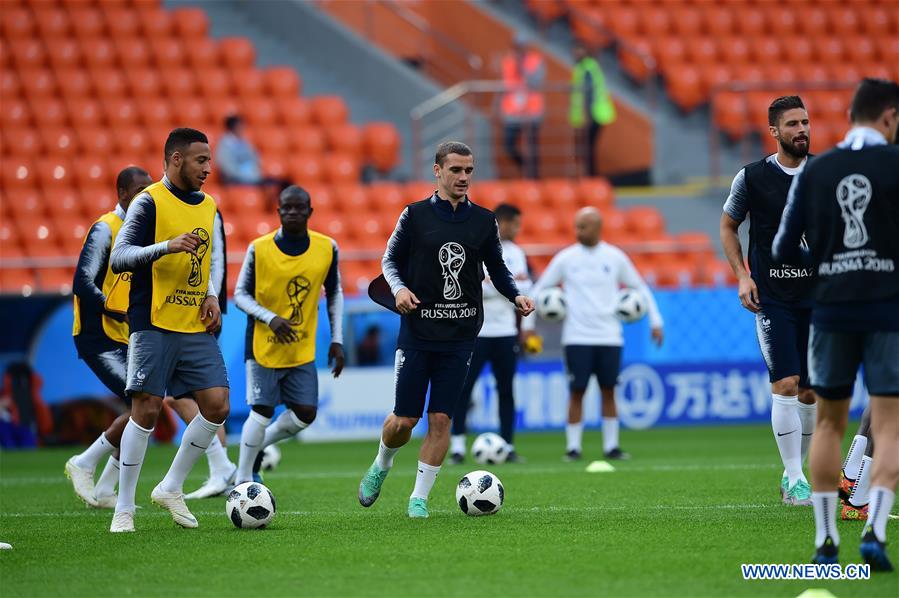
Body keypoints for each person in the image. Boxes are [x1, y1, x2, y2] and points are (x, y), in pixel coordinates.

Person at [356, 141, 534, 518]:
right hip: (418, 334)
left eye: (469, 170)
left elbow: (498, 269)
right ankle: (382, 463)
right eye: (456, 170)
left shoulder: (484, 221)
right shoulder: (415, 215)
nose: (464, 177)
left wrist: (515, 296)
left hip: (462, 335)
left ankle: (418, 498)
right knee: (404, 421)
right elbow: (389, 260)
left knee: (441, 419)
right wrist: (400, 289)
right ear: (437, 171)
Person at [773, 78, 899, 570]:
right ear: (888, 116)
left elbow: (783, 248)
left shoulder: (816, 171)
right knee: (888, 425)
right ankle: (876, 532)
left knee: (827, 422)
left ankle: (826, 540)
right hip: (888, 308)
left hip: (830, 310)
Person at [65, 168, 237, 508]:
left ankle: (102, 487)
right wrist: (114, 310)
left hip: (134, 332)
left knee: (151, 404)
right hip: (99, 335)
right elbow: (82, 282)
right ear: (122, 193)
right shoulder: (105, 228)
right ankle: (85, 462)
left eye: (149, 188)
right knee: (146, 404)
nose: (147, 194)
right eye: (140, 189)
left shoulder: (151, 223)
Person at [108, 128, 230, 533]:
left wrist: (211, 294)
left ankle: (171, 486)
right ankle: (124, 507)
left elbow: (204, 259)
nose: (208, 169)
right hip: (153, 321)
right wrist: (166, 246)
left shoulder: (209, 205)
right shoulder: (148, 203)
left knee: (217, 405)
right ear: (176, 159)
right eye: (201, 161)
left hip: (193, 321)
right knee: (145, 410)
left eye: (209, 161)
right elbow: (120, 257)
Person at [719, 95, 817, 507]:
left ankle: (794, 471)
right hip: (772, 298)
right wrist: (742, 275)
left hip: (820, 298)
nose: (802, 130)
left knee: (812, 392)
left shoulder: (825, 175)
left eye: (805, 122)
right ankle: (796, 479)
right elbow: (728, 225)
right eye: (792, 124)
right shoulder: (752, 177)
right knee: (786, 383)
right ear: (774, 131)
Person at [530, 207, 663, 461]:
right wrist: (527, 327)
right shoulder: (566, 258)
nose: (578, 231)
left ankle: (611, 446)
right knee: (577, 390)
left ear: (597, 227)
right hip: (576, 337)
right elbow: (539, 289)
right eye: (577, 226)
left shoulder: (615, 258)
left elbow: (640, 288)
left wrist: (656, 321)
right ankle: (573, 447)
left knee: (609, 389)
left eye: (583, 226)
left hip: (609, 335)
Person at [233, 185, 345, 485]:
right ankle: (243, 479)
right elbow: (240, 295)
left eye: (299, 207)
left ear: (310, 211)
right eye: (287, 207)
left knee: (306, 413)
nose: (293, 212)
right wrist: (270, 319)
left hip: (301, 347)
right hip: (262, 345)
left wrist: (337, 339)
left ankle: (260, 445)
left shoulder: (327, 248)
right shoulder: (259, 248)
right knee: (262, 409)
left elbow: (334, 294)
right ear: (278, 211)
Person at [450, 203, 531, 464]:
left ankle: (507, 447)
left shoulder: (517, 253)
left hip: (506, 333)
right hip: (476, 331)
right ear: (503, 223)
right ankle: (458, 446)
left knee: (506, 390)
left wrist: (496, 286)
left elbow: (523, 286)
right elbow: (474, 289)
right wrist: (505, 288)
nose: (517, 230)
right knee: (463, 389)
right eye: (515, 224)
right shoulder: (477, 246)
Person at [501, 33, 545, 179]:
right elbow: (504, 85)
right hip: (512, 113)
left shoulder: (536, 61)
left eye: (522, 46)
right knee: (508, 146)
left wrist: (522, 67)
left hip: (531, 113)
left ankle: (534, 178)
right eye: (517, 46)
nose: (520, 49)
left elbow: (536, 84)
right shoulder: (508, 61)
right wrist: (497, 106)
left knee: (532, 149)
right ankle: (525, 167)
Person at [570, 43, 616, 177]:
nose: (576, 54)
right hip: (594, 114)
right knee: (587, 147)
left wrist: (587, 115)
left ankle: (591, 176)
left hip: (595, 114)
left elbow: (588, 93)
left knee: (587, 147)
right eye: (575, 51)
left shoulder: (587, 68)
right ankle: (591, 175)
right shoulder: (586, 67)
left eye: (579, 51)